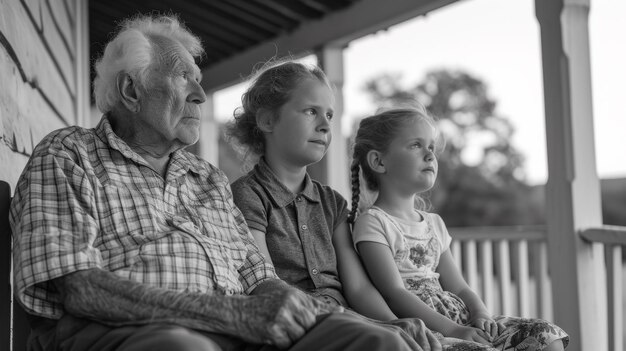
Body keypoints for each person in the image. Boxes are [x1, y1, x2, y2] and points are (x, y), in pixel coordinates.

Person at [10, 15, 438, 351]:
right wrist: (227, 314)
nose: (200, 92)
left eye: (199, 77)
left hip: (236, 331)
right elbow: (78, 287)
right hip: (133, 332)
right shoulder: (69, 154)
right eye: (183, 78)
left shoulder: (207, 178)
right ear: (131, 90)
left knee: (377, 343)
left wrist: (355, 320)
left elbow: (258, 276)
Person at [227, 61, 494, 351]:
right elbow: (265, 285)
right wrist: (379, 328)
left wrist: (394, 322)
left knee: (405, 339)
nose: (325, 124)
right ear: (267, 120)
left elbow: (358, 287)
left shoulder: (332, 203)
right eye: (310, 111)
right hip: (289, 324)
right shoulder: (247, 195)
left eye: (329, 114)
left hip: (345, 320)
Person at [347, 106, 570, 351]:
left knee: (547, 335)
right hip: (426, 330)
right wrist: (453, 330)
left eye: (431, 147)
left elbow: (459, 286)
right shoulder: (374, 223)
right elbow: (394, 293)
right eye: (415, 145)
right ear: (378, 161)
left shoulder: (434, 224)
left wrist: (481, 312)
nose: (430, 155)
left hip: (462, 320)